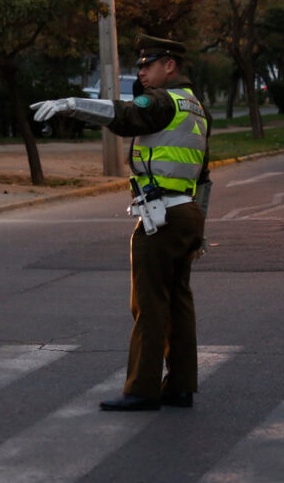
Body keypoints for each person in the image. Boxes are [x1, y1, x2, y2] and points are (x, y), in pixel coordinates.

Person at [31, 34, 212, 411]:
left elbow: (126, 116)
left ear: (170, 66)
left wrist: (71, 105)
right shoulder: (195, 107)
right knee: (179, 302)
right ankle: (180, 385)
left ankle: (142, 390)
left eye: (149, 65)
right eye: (142, 65)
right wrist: (201, 229)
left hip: (161, 218)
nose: (142, 72)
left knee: (149, 304)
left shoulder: (162, 100)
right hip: (187, 213)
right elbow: (204, 175)